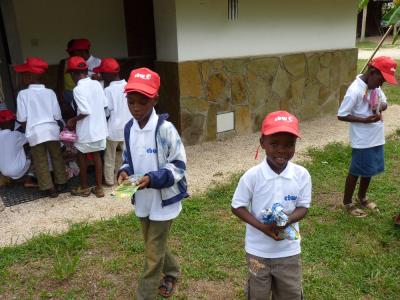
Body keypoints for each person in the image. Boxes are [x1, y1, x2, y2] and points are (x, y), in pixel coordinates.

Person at [117, 68, 189, 299]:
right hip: (143, 198)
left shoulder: (165, 130)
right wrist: (124, 173)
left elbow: (178, 165)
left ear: (155, 99)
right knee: (152, 243)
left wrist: (153, 179)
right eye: (131, 102)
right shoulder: (129, 128)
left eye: (143, 102)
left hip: (163, 200)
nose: (136, 107)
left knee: (152, 250)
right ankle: (172, 271)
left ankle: (144, 294)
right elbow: (127, 158)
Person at [231, 111, 312, 300]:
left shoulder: (301, 175)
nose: (281, 150)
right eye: (274, 144)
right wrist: (262, 227)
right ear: (262, 143)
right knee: (257, 294)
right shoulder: (252, 176)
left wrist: (289, 219)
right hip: (257, 251)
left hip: (288, 250)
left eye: (289, 145)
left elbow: (304, 207)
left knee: (290, 293)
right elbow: (237, 206)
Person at [337, 56, 397, 217]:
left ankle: (362, 197)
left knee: (368, 169)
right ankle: (347, 202)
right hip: (362, 139)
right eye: (381, 79)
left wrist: (379, 106)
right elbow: (341, 115)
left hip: (376, 136)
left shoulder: (375, 86)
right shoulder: (355, 90)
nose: (381, 84)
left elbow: (384, 101)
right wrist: (363, 120)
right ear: (372, 72)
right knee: (356, 170)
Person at [14, 57, 67, 198]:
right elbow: (57, 115)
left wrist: (29, 130)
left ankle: (49, 188)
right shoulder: (50, 92)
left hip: (35, 133)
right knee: (57, 157)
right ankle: (61, 182)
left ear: (31, 76)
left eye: (24, 74)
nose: (22, 77)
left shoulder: (22, 95)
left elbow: (21, 118)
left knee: (40, 160)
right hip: (51, 131)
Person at [66, 56, 108, 198]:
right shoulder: (97, 84)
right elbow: (103, 104)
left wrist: (73, 120)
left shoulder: (77, 89)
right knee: (97, 157)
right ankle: (99, 188)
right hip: (100, 129)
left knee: (82, 157)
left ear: (73, 74)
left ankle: (84, 188)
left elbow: (84, 111)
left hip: (86, 131)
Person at [93, 58, 131, 186]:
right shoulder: (128, 86)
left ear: (109, 74)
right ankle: (124, 178)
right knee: (125, 156)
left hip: (113, 130)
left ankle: (109, 181)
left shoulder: (108, 91)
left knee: (109, 157)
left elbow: (107, 112)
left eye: (103, 74)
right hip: (128, 129)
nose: (101, 76)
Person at [57, 38, 101, 119]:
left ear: (82, 51)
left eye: (74, 52)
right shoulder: (73, 62)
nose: (72, 54)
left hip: (93, 97)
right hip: (73, 94)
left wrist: (99, 78)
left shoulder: (98, 62)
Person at [0, 109, 36, 187]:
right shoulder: (15, 135)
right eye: (13, 121)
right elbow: (31, 138)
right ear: (11, 122)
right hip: (16, 172)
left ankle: (9, 178)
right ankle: (29, 180)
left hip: (3, 172)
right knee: (36, 151)